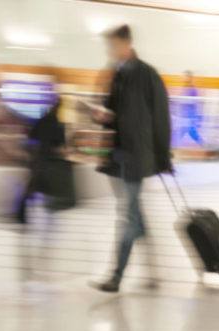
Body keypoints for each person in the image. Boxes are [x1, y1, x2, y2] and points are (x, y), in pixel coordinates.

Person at [93, 25, 172, 292]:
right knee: (135, 215)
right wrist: (100, 115)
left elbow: (161, 118)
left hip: (137, 156)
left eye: (113, 46)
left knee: (128, 216)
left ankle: (116, 276)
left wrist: (163, 156)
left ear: (126, 45)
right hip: (119, 156)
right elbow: (112, 113)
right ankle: (154, 272)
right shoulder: (118, 75)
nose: (111, 52)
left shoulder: (147, 75)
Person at [177, 71, 203, 146]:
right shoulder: (184, 88)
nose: (184, 78)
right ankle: (202, 144)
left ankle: (203, 144)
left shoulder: (193, 89)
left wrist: (193, 117)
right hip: (185, 115)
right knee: (187, 132)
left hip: (189, 115)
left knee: (186, 132)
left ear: (190, 78)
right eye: (184, 77)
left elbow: (194, 103)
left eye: (186, 77)